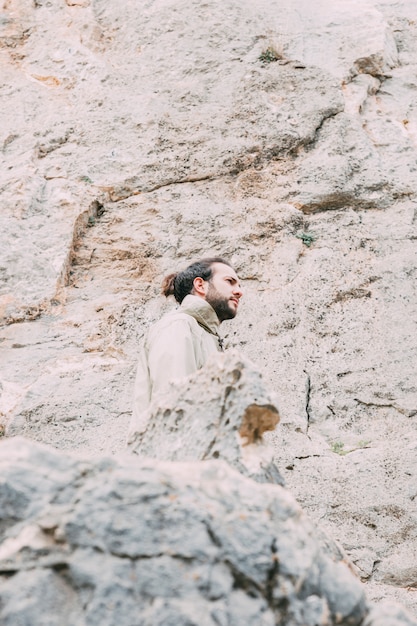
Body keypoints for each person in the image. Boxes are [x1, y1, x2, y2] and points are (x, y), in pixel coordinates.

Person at [129, 257, 243, 437]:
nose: (238, 292)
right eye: (230, 282)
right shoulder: (179, 327)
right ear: (200, 285)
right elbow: (173, 409)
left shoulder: (205, 335)